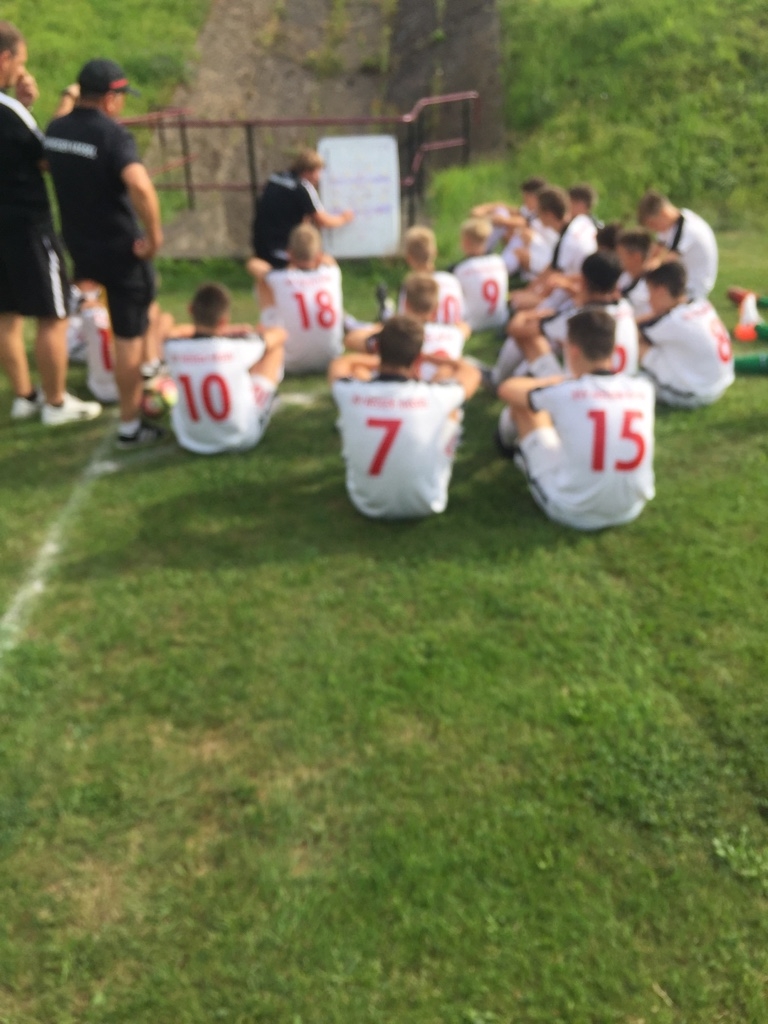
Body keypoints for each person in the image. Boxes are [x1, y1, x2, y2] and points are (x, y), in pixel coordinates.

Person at [45, 58, 164, 447]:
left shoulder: (56, 130)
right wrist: (154, 237)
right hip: (120, 248)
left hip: (80, 246)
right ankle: (130, 424)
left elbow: (53, 147)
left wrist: (66, 99)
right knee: (129, 334)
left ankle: (123, 378)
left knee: (100, 314)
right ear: (110, 98)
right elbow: (140, 186)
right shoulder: (113, 135)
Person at [0, 21, 100, 425]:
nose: (22, 70)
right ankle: (56, 403)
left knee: (6, 315)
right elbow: (48, 156)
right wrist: (65, 103)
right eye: (20, 62)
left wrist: (23, 105)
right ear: (4, 58)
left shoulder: (11, 109)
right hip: (27, 223)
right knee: (53, 314)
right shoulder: (8, 111)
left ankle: (24, 396)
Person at [497, 308, 655, 531]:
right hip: (631, 508)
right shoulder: (644, 389)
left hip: (573, 511)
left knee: (526, 408)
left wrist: (555, 381)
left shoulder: (566, 391)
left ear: (573, 350)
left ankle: (508, 449)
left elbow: (507, 389)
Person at [329, 315, 480, 518]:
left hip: (365, 502)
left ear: (379, 348)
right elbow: (470, 372)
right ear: (417, 358)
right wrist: (427, 357)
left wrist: (381, 359)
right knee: (453, 412)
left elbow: (341, 363)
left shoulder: (348, 392)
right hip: (427, 501)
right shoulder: (435, 396)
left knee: (355, 388)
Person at [164, 283, 286, 455]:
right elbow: (279, 334)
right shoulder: (236, 347)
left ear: (190, 309)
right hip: (241, 438)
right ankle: (268, 398)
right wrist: (238, 332)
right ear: (223, 320)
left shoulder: (172, 347)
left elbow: (174, 331)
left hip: (190, 439)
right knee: (274, 349)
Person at [491, 251, 639, 384]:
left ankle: (499, 380)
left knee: (530, 337)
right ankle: (521, 376)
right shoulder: (626, 307)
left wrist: (525, 314)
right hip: (626, 389)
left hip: (583, 393)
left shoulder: (579, 318)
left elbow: (516, 329)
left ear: (583, 281)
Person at [246, 223, 344, 373]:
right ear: (319, 255)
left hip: (290, 362)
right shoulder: (332, 273)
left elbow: (253, 264)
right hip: (331, 357)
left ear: (289, 254)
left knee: (262, 285)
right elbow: (329, 260)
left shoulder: (279, 278)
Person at [639, 261, 734, 408]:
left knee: (637, 346)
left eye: (650, 293)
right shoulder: (701, 303)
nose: (649, 300)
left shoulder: (671, 321)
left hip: (695, 394)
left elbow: (631, 328)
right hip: (718, 384)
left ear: (661, 291)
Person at [251, 148, 354, 269]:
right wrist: (344, 218)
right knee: (326, 262)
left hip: (261, 244)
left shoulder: (275, 178)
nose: (319, 177)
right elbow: (322, 220)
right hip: (284, 249)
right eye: (318, 172)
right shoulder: (302, 188)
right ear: (308, 171)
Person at [637, 190, 718, 300]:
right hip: (682, 280)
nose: (653, 229)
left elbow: (664, 261)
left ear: (663, 213)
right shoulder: (676, 220)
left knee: (641, 297)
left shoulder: (687, 228)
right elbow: (657, 250)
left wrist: (639, 270)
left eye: (653, 224)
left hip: (693, 287)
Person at [451, 218, 509, 332]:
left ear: (466, 242)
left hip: (471, 323)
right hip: (501, 319)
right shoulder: (499, 261)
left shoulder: (460, 269)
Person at [398, 225, 465, 325]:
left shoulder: (411, 288)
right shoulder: (452, 280)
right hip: (454, 330)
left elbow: (404, 321)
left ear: (409, 258)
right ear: (435, 253)